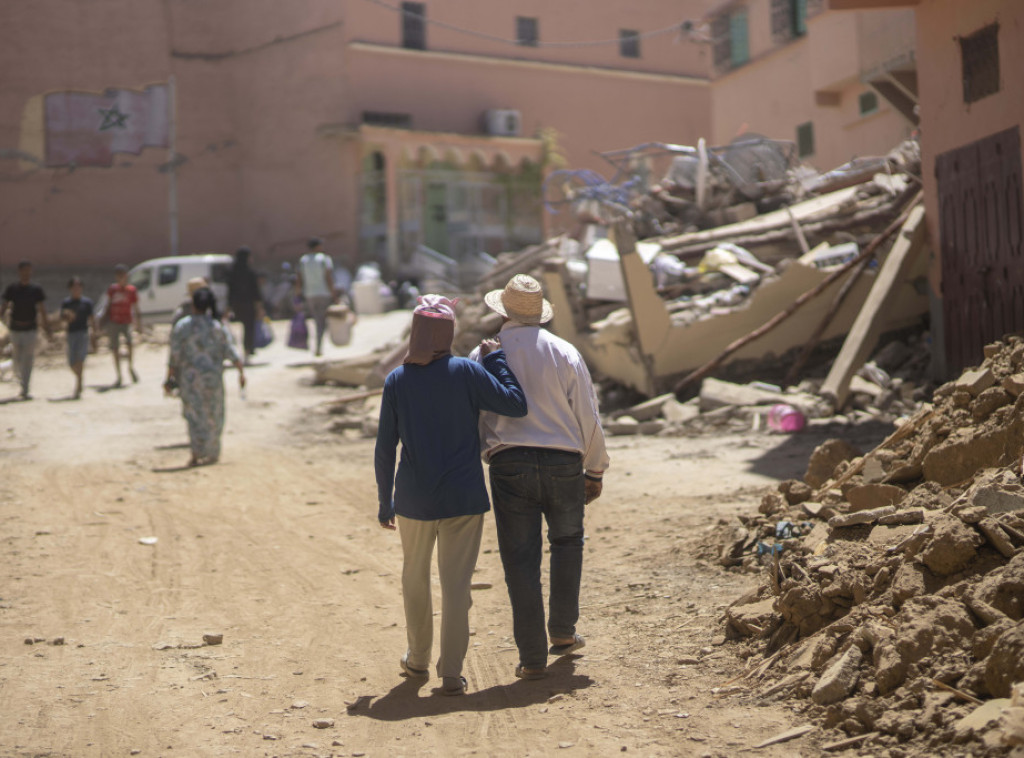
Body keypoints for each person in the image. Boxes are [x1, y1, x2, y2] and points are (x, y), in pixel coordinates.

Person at [374, 295, 527, 696]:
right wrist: (495, 361)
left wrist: (383, 500)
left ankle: (417, 660)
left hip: (412, 499)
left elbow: (385, 447)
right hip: (463, 498)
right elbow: (515, 404)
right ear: (449, 333)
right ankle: (452, 673)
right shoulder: (464, 372)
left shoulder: (396, 380)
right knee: (457, 587)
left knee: (414, 579)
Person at [472, 274, 609, 681]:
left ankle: (532, 657)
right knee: (568, 543)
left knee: (520, 559)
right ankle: (563, 633)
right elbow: (588, 414)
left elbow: (476, 416)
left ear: (502, 311)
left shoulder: (483, 355)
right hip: (564, 462)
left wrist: (487, 452)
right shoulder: (563, 351)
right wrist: (595, 468)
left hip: (509, 464)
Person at [166, 287, 245, 467]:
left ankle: (196, 452)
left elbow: (174, 356)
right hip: (213, 380)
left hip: (190, 380)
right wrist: (241, 372)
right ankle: (212, 451)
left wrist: (169, 378)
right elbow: (231, 352)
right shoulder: (217, 327)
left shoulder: (182, 326)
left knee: (194, 416)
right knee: (214, 414)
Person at [1, 260, 51, 400]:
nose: (27, 273)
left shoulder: (36, 290)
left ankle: (25, 388)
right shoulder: (12, 289)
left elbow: (42, 309)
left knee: (28, 359)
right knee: (17, 358)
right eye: (24, 270)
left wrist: (47, 327)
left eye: (29, 270)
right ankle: (20, 379)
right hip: (15, 329)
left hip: (30, 329)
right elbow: (5, 305)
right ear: (19, 271)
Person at [297, 237, 338, 357]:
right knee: (321, 321)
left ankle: (316, 344)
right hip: (323, 293)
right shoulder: (324, 259)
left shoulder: (303, 260)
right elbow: (328, 277)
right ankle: (318, 347)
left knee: (316, 319)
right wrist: (333, 294)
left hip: (309, 294)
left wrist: (298, 293)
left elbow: (299, 278)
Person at [60, 276, 98, 399]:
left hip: (83, 333)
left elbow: (92, 319)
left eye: (78, 286)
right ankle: (80, 378)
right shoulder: (67, 303)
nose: (76, 289)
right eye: (74, 287)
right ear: (70, 288)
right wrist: (68, 317)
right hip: (71, 333)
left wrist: (95, 335)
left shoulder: (86, 303)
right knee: (71, 362)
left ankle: (78, 385)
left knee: (80, 359)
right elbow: (62, 318)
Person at [105, 264, 141, 386]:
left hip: (127, 321)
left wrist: (139, 323)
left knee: (130, 344)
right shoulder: (112, 289)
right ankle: (119, 375)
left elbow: (136, 308)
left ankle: (130, 367)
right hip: (114, 321)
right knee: (115, 348)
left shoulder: (131, 290)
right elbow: (108, 305)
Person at [227, 247, 264, 363]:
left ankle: (239, 352)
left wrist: (228, 306)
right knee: (249, 328)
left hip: (236, 305)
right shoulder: (250, 273)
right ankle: (247, 351)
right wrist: (259, 307)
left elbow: (230, 291)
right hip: (248, 304)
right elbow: (255, 291)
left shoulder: (232, 272)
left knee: (239, 328)